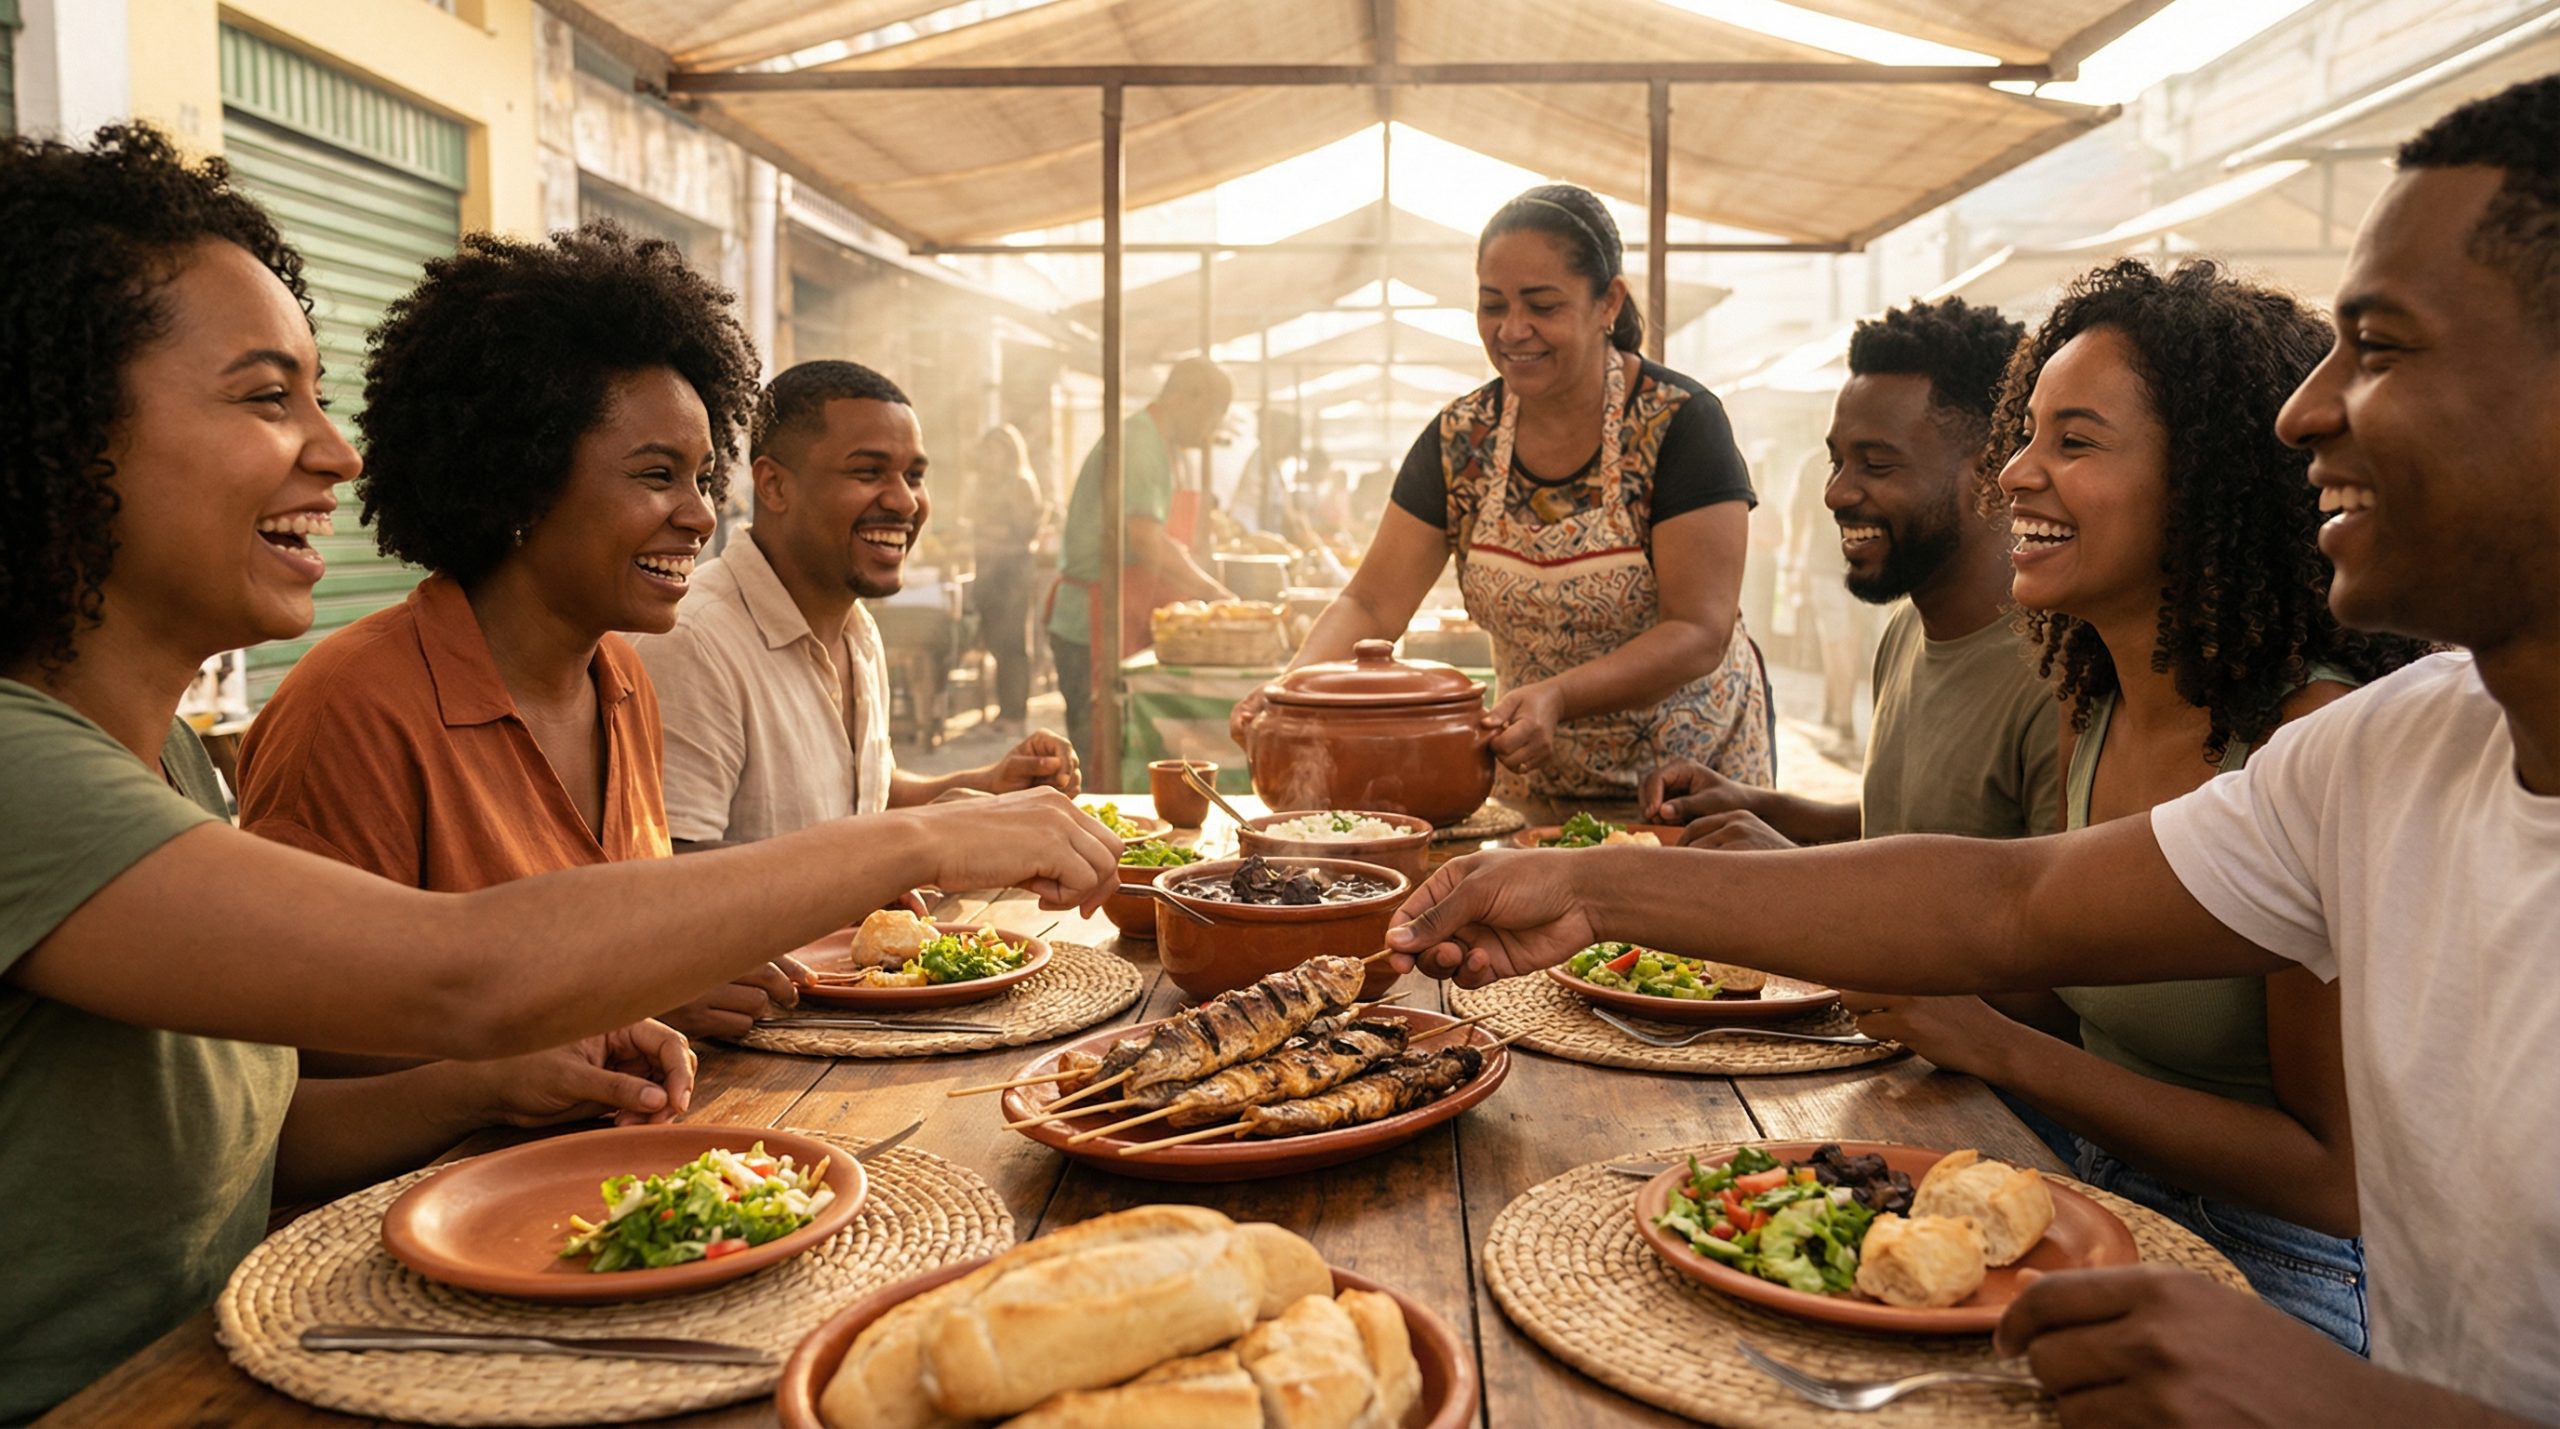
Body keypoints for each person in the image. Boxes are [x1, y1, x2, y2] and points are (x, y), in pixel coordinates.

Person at [1385, 76, 2560, 1425]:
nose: (2308, 412)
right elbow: (2011, 903)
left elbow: (2290, 1168)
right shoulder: (2386, 754)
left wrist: (2339, 1406)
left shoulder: (2312, 723)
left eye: (2385, 347)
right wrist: (1596, 892)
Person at [0, 126, 1119, 1422]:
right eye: (265, 397)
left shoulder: (170, 769)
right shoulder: (27, 777)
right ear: (59, 423)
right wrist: (915, 842)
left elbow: (253, 1140)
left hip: (260, 1361)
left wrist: (494, 1082)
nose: (333, 452)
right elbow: (456, 968)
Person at [1899, 262, 2429, 1349]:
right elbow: (2044, 977)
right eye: (2025, 432)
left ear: (2207, 483)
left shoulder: (2306, 736)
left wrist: (1999, 1050)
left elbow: (2333, 1182)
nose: (2015, 474)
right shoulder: (2089, 692)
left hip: (2278, 1258)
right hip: (2085, 1185)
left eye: (2074, 442)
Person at [233, 224, 793, 1041]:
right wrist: (621, 1000)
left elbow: (623, 947)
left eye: (704, 477)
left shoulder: (624, 680)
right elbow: (302, 1070)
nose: (702, 514)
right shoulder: (351, 710)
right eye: (656, 475)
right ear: (522, 483)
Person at [1231, 183, 1771, 805]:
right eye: (1493, 306)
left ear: (1608, 303)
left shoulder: (1681, 423)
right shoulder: (1460, 440)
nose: (1514, 330)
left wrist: (1559, 695)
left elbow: (1697, 628)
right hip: (1532, 780)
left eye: (1542, 305)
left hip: (1685, 785)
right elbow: (1373, 604)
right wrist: (1287, 694)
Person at [1642, 297, 2056, 851]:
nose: (1836, 492)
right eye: (1837, 460)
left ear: (1988, 474)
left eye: (1876, 464)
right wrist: (1758, 804)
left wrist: (1792, 874)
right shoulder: (1907, 630)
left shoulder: (2056, 678)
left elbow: (2040, 922)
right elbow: (1904, 827)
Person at [633, 362, 1080, 849]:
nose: (906, 502)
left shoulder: (857, 629)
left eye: (914, 475)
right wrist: (906, 853)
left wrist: (989, 786)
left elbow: (866, 794)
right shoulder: (692, 642)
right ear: (774, 486)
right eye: (868, 472)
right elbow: (677, 871)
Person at [1046, 357, 1236, 765]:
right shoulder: (1142, 441)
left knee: (1113, 748)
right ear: (1191, 398)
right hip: (1092, 620)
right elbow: (1147, 541)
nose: (1212, 433)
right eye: (1214, 417)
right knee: (1097, 753)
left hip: (1121, 616)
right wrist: (1215, 594)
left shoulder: (1158, 442)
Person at [967, 421, 1052, 738]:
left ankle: (1016, 715)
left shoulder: (1020, 483)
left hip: (1012, 572)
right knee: (994, 643)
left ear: (1009, 453)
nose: (990, 457)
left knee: (1012, 644)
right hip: (987, 570)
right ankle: (1004, 712)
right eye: (986, 451)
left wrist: (985, 531)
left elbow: (1022, 531)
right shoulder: (986, 485)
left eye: (996, 450)